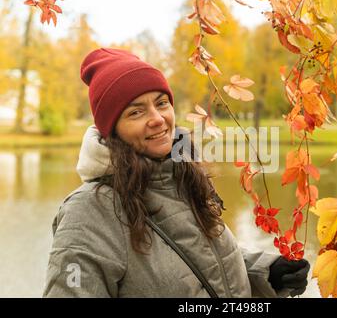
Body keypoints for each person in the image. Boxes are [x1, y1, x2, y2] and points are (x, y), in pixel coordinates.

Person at [43, 48, 309, 298]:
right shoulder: (90, 211)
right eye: (136, 112)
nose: (157, 118)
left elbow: (197, 258)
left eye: (161, 103)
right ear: (112, 130)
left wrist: (263, 272)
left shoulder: (184, 178)